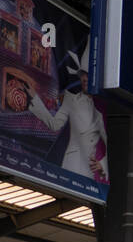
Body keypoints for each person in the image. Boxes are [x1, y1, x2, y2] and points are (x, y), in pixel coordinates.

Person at [28, 46, 109, 184]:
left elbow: (109, 143)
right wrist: (35, 99)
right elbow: (54, 124)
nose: (85, 78)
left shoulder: (100, 111)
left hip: (88, 171)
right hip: (71, 164)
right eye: (83, 74)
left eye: (88, 75)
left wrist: (103, 165)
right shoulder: (70, 99)